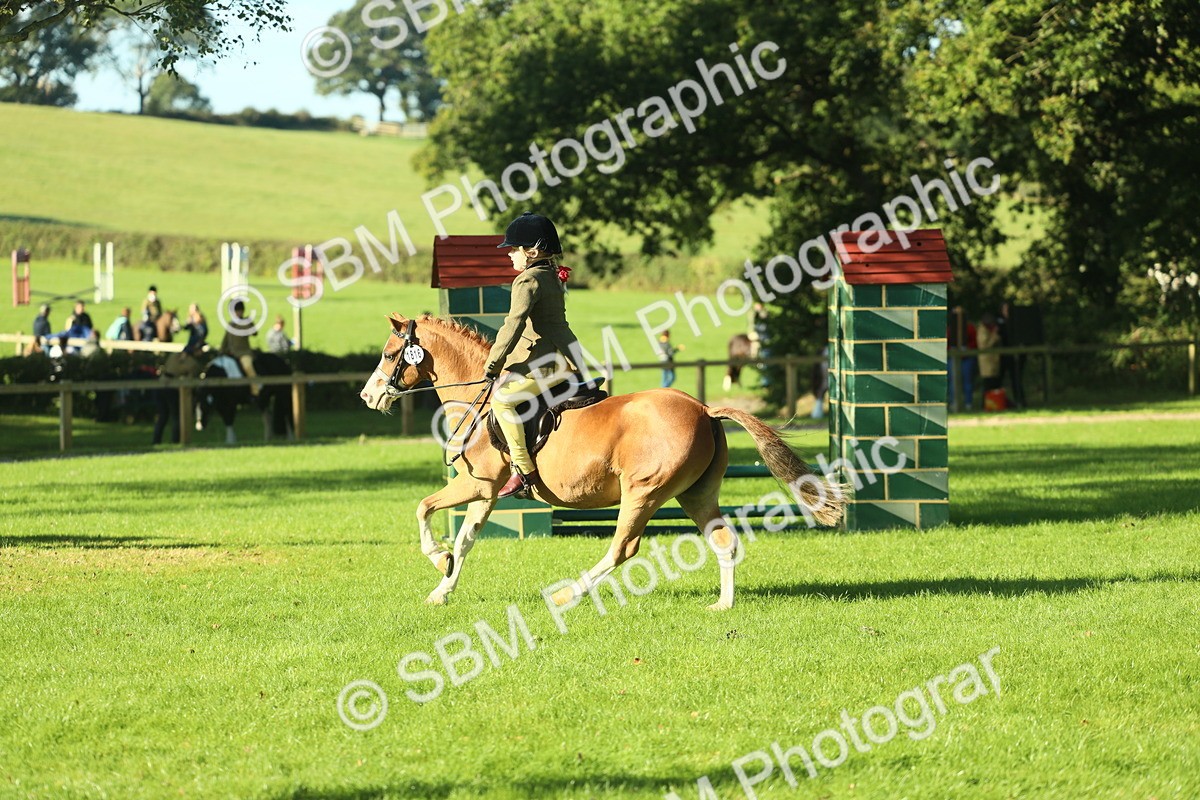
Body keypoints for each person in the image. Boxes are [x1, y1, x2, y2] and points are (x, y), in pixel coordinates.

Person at [484, 212, 584, 499]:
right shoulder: (551, 276)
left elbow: (512, 325)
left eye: (514, 249)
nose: (510, 255)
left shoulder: (528, 280)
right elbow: (556, 327)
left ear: (533, 251)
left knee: (502, 401)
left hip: (546, 366)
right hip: (561, 359)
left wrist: (493, 365)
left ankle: (523, 469)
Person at [153, 350, 201, 444]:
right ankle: (175, 440)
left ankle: (156, 441)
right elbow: (190, 379)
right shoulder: (193, 363)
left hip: (162, 384)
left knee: (163, 416)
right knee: (176, 416)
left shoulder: (174, 355)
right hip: (172, 388)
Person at [219, 299, 258, 392]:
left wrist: (249, 322)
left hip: (243, 353)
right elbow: (225, 340)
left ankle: (255, 390)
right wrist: (220, 352)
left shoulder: (246, 323)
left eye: (237, 311)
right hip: (230, 354)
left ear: (241, 311)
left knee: (247, 367)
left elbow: (255, 333)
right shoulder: (230, 325)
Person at [977, 311, 1002, 393]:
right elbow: (985, 346)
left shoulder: (987, 330)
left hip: (992, 362)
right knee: (987, 386)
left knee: (994, 385)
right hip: (987, 363)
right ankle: (985, 404)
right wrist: (994, 335)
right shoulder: (982, 331)